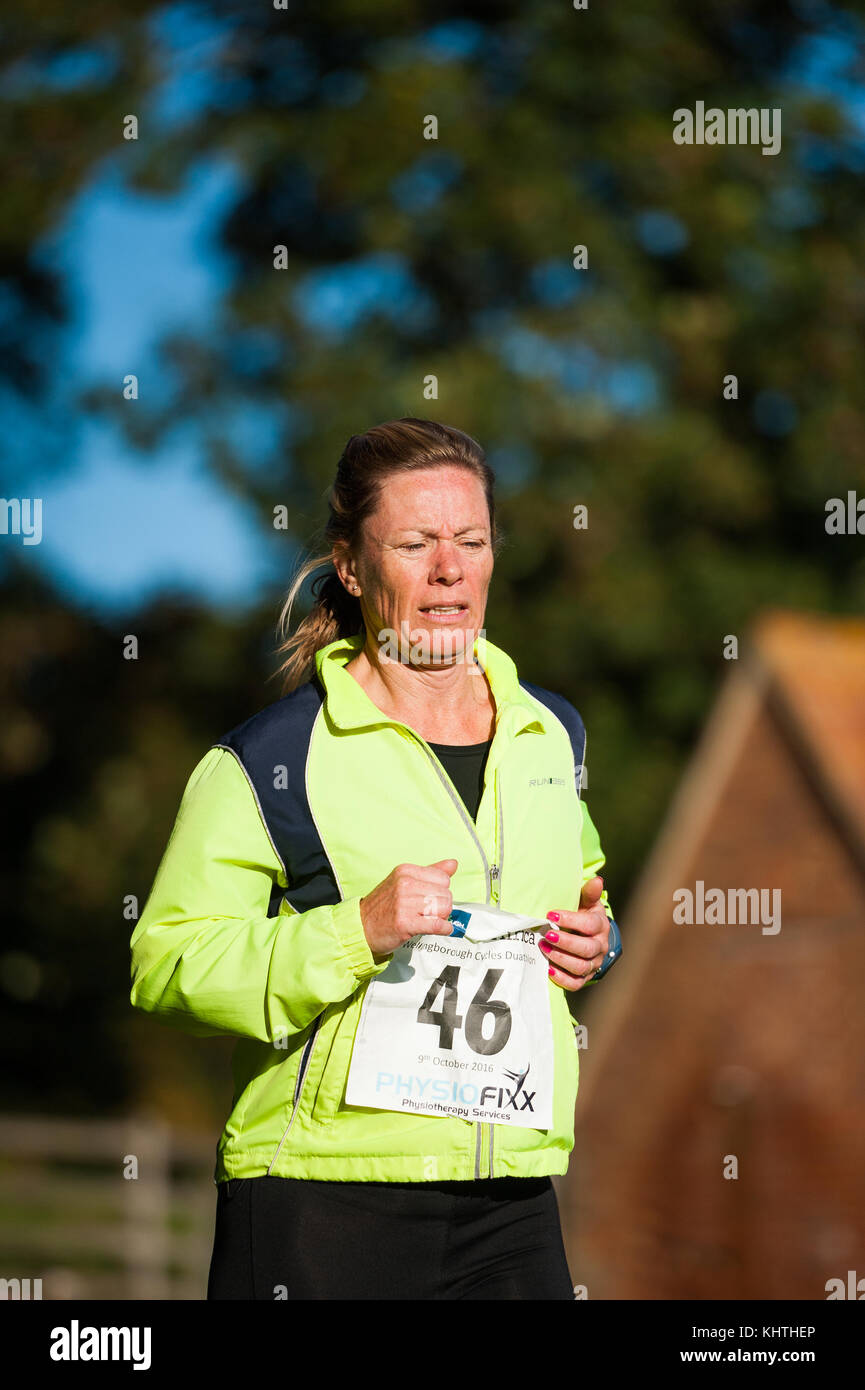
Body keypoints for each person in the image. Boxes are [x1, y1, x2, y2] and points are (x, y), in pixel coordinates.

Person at [129, 417, 621, 1300]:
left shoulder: (552, 734)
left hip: (509, 1197)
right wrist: (356, 931)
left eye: (470, 541)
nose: (448, 569)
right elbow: (166, 966)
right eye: (415, 543)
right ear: (352, 567)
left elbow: (582, 884)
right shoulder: (267, 759)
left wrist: (596, 940)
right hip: (320, 1203)